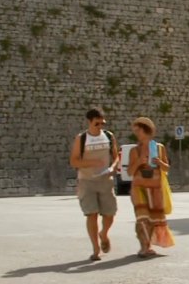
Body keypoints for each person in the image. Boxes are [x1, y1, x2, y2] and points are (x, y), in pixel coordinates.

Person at [69, 107, 120, 261]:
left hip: (106, 180)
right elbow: (74, 161)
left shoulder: (109, 137)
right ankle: (96, 249)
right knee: (91, 214)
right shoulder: (82, 138)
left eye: (102, 123)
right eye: (97, 124)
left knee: (109, 214)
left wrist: (113, 167)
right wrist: (92, 162)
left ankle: (103, 234)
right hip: (87, 181)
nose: (100, 126)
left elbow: (116, 156)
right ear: (89, 122)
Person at [127, 117, 175, 258]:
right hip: (139, 188)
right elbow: (130, 172)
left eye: (138, 130)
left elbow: (167, 168)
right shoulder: (134, 150)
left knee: (154, 219)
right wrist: (138, 162)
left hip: (155, 188)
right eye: (135, 131)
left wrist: (159, 162)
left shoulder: (159, 148)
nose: (136, 134)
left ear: (146, 130)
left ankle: (148, 246)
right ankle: (144, 247)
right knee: (142, 218)